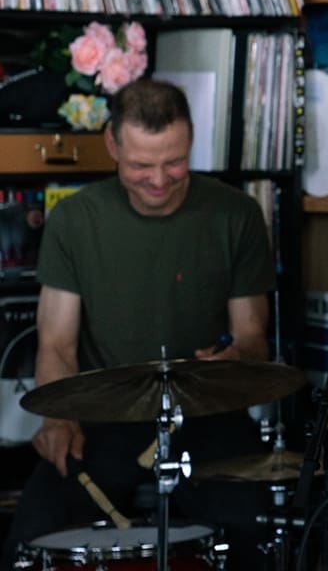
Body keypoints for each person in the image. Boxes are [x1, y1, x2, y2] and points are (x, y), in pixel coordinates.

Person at [0, 79, 278, 569]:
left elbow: (253, 336)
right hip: (102, 421)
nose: (158, 179)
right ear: (111, 144)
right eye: (140, 165)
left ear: (191, 140)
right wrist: (58, 418)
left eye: (173, 162)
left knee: (250, 538)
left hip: (207, 419)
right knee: (34, 532)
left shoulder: (237, 214)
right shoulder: (73, 220)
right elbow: (57, 343)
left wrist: (233, 360)